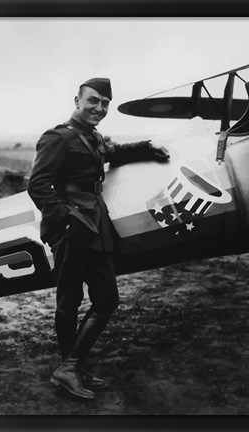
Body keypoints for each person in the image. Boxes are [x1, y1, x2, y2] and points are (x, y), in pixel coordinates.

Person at [28, 78, 169, 400]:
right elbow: (38, 185)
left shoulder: (92, 137)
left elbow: (113, 151)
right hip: (72, 227)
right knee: (69, 302)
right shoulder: (57, 137)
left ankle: (70, 367)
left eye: (105, 103)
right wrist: (65, 218)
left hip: (95, 224)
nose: (99, 108)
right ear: (77, 100)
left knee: (107, 299)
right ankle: (70, 368)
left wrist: (147, 146)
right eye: (93, 101)